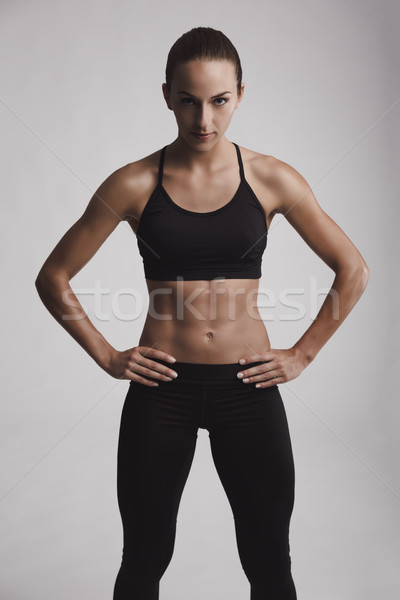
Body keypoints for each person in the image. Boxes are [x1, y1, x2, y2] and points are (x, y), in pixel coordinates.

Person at [35, 26, 369, 600]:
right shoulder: (135, 182)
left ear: (240, 94)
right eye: (188, 100)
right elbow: (53, 276)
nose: (203, 119)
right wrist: (110, 357)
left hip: (248, 386)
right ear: (167, 95)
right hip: (163, 390)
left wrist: (301, 354)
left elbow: (353, 269)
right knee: (143, 556)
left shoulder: (270, 178)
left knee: (268, 560)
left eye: (219, 101)